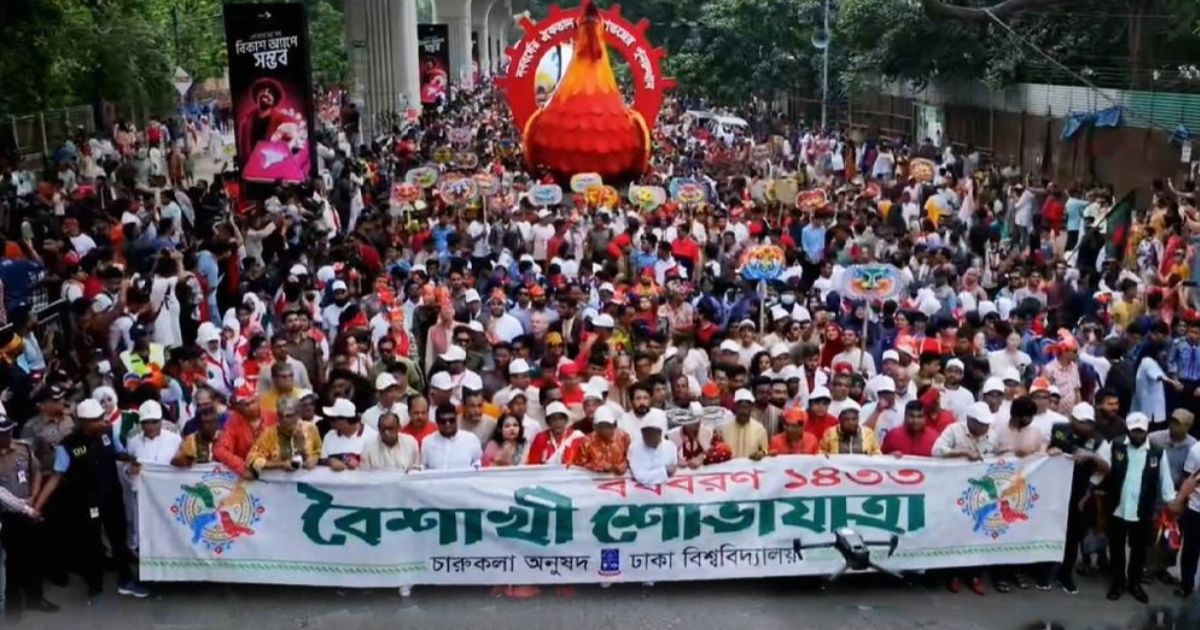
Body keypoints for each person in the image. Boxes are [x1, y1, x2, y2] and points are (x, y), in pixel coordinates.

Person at [31, 399, 149, 601]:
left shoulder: (109, 433)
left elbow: (119, 452)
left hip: (112, 496)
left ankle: (125, 581)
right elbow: (57, 476)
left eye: (102, 418)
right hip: (86, 502)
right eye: (96, 420)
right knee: (91, 544)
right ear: (84, 422)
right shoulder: (67, 446)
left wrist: (132, 459)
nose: (103, 422)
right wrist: (37, 506)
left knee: (118, 540)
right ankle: (95, 587)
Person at [1093, 412, 1176, 603]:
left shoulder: (1157, 453)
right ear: (1128, 430)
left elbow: (1165, 483)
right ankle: (1118, 582)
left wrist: (1171, 503)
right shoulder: (1115, 445)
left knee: (1139, 551)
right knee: (1116, 549)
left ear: (1146, 430)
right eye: (1133, 431)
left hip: (1143, 511)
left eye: (1140, 431)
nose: (1137, 435)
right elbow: (1102, 471)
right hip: (1118, 508)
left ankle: (1134, 583)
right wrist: (1092, 488)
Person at [1046, 402, 1106, 595]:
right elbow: (1043, 450)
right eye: (1082, 422)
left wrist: (1092, 457)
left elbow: (1106, 469)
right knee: (1049, 530)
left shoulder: (1098, 442)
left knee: (1073, 536)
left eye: (1089, 423)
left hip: (1080, 494)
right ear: (1072, 420)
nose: (1086, 426)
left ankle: (1065, 573)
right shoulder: (1058, 429)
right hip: (1054, 490)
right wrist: (1050, 450)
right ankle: (1043, 571)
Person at [0, 416, 57, 614]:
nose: (7, 435)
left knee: (34, 557)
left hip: (28, 509)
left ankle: (35, 598)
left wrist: (34, 496)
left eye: (8, 431)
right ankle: (13, 604)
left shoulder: (23, 448)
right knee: (11, 562)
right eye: (2, 433)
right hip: (6, 516)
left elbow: (37, 471)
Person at [245, 397, 321, 475]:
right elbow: (251, 460)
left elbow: (319, 451)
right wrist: (281, 464)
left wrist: (315, 458)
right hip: (279, 482)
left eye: (289, 416)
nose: (284, 420)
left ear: (298, 415)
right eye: (280, 415)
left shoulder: (311, 429)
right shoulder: (269, 434)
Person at [566, 407, 629, 474]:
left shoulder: (624, 437)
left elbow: (632, 459)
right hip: (593, 481)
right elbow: (577, 466)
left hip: (619, 479)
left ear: (614, 425)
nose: (605, 430)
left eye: (608, 426)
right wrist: (597, 465)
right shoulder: (587, 442)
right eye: (602, 426)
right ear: (595, 427)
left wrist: (625, 465)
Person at [421, 403, 482, 470]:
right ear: (437, 422)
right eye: (443, 421)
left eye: (451, 420)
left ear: (456, 419)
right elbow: (423, 467)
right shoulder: (427, 442)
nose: (448, 424)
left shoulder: (471, 439)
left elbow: (478, 464)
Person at [627, 411, 677, 486]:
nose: (647, 435)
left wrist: (655, 473)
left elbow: (672, 472)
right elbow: (640, 477)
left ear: (659, 433)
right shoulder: (634, 448)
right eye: (645, 432)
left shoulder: (670, 447)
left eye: (651, 432)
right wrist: (664, 471)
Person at [718, 388, 769, 460]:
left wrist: (762, 453)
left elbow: (766, 450)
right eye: (741, 407)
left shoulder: (759, 429)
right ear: (735, 407)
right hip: (728, 468)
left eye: (746, 408)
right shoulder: (722, 428)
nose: (743, 411)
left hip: (750, 468)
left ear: (751, 408)